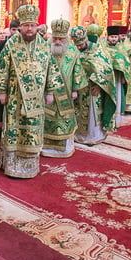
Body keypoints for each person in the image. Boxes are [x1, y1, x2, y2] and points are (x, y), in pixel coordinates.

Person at [0, 4, 66, 178]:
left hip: (37, 98)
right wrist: (2, 91)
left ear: (36, 25)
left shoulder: (44, 45)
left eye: (32, 25)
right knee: (14, 129)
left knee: (32, 129)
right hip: (15, 96)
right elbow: (2, 68)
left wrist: (50, 92)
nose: (29, 29)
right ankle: (12, 166)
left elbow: (51, 69)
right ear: (21, 26)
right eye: (26, 25)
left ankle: (29, 167)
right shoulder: (11, 44)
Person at [42, 18, 87, 158]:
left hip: (66, 92)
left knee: (65, 117)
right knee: (46, 118)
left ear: (66, 38)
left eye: (61, 39)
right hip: (47, 92)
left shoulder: (73, 51)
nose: (57, 41)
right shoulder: (44, 48)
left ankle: (63, 149)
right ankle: (45, 147)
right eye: (55, 38)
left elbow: (77, 71)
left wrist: (75, 89)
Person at [71, 26, 117, 145]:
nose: (79, 47)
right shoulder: (74, 50)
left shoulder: (97, 50)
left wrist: (99, 86)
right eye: (77, 45)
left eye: (81, 45)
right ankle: (79, 134)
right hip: (79, 88)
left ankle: (93, 136)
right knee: (79, 111)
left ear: (86, 40)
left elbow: (106, 70)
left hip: (93, 88)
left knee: (92, 113)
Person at [100, 25, 130, 126]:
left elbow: (126, 63)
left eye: (115, 37)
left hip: (117, 78)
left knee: (117, 96)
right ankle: (106, 118)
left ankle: (116, 119)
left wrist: (123, 77)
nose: (113, 39)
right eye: (111, 37)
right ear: (108, 37)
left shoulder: (122, 48)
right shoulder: (103, 48)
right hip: (106, 78)